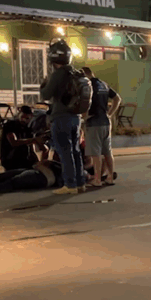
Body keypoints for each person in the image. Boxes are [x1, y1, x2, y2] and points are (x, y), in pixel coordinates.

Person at [40, 40, 87, 195]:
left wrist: (44, 85)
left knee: (65, 151)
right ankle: (80, 183)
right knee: (75, 151)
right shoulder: (74, 72)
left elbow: (46, 95)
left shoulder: (58, 74)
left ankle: (70, 185)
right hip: (75, 117)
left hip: (61, 117)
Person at [82, 66, 120, 187]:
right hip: (106, 122)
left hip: (94, 123)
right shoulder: (103, 84)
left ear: (85, 75)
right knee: (107, 152)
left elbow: (85, 102)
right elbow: (117, 99)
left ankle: (97, 179)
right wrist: (110, 114)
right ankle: (110, 177)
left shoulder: (88, 85)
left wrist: (84, 117)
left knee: (96, 153)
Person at [0, 105, 45, 171]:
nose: (23, 120)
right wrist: (34, 140)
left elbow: (31, 149)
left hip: (24, 159)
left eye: (27, 118)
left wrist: (37, 163)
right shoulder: (10, 125)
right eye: (22, 117)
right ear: (19, 115)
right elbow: (13, 142)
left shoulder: (28, 128)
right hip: (11, 159)